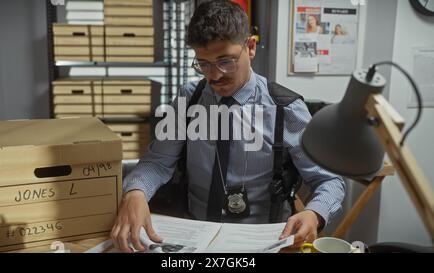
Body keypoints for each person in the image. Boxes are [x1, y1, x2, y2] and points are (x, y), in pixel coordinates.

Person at [111, 0, 345, 253]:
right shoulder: (187, 100)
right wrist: (135, 192)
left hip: (264, 241)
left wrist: (314, 213)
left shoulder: (285, 109)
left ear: (251, 47)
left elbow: (329, 180)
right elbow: (157, 162)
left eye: (225, 61)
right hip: (194, 236)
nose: (214, 76)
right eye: (203, 64)